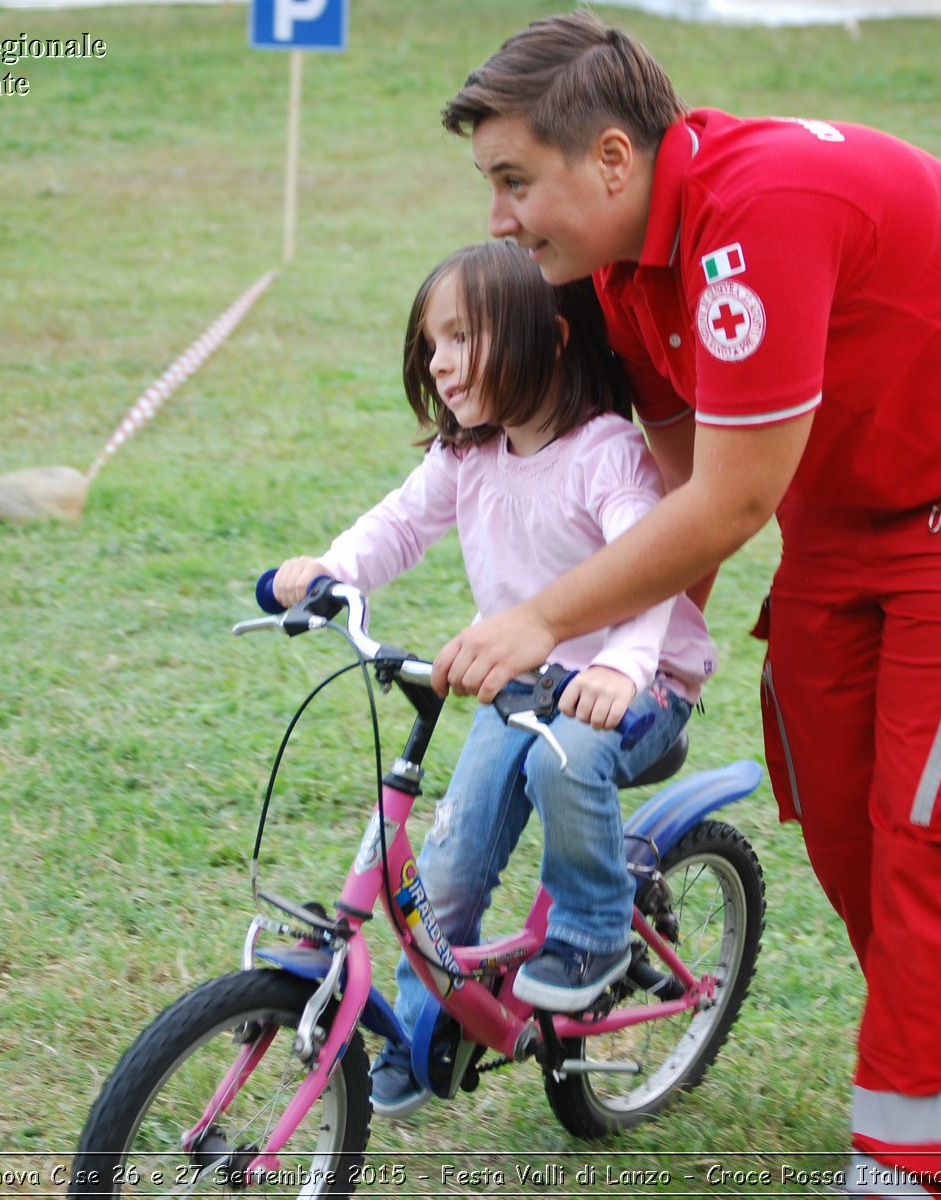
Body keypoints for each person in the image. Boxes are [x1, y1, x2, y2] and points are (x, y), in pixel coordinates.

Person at [430, 11, 941, 1199]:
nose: (497, 219)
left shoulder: (758, 212)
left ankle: (911, 1161)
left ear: (610, 159)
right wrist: (631, 654)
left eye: (513, 182)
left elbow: (731, 498)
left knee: (933, 819)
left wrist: (543, 622)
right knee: (838, 797)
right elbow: (674, 479)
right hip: (859, 492)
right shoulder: (614, 267)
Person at [271, 239, 716, 1116]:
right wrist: (330, 570)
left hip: (642, 675)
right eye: (431, 342)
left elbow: (650, 566)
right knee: (445, 865)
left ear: (547, 339)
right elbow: (396, 526)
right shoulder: (467, 458)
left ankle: (592, 935)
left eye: (462, 337)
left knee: (564, 762)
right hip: (526, 680)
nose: (439, 361)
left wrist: (623, 668)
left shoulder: (605, 454)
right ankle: (415, 1030)